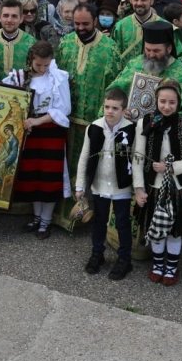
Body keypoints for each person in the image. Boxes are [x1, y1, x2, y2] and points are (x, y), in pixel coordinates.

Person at [55, 3, 122, 231]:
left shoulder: (109, 49)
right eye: (76, 24)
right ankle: (63, 215)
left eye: (85, 23)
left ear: (95, 21)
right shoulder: (65, 44)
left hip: (94, 121)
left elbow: (113, 85)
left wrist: (106, 119)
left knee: (92, 169)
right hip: (67, 119)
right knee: (66, 168)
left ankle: (90, 215)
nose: (81, 28)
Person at [133, 80, 182, 286]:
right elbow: (138, 158)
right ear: (156, 100)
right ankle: (157, 264)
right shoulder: (145, 123)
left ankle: (171, 267)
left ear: (178, 102)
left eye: (172, 102)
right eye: (162, 101)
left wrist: (170, 168)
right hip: (153, 186)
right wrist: (138, 189)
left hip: (177, 187)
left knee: (174, 230)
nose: (166, 106)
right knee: (156, 228)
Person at [5, 40, 71, 240]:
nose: (42, 69)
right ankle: (36, 217)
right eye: (38, 65)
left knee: (48, 177)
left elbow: (63, 110)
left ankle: (46, 221)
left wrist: (37, 120)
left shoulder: (58, 78)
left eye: (46, 65)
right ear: (31, 60)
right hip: (30, 132)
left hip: (50, 132)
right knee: (33, 175)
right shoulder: (20, 77)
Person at [74, 87, 136, 279]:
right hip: (99, 185)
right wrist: (80, 185)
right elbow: (84, 157)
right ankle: (97, 254)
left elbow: (135, 159)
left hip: (121, 186)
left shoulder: (131, 130)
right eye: (107, 107)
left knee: (122, 222)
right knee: (99, 221)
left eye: (115, 108)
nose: (110, 111)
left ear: (123, 110)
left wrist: (138, 187)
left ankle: (124, 259)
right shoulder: (94, 128)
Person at [107, 21, 182, 114]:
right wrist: (122, 110)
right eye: (148, 50)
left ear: (169, 49)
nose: (151, 55)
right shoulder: (134, 64)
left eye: (156, 51)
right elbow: (114, 93)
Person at [0, 0, 35, 81]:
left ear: (21, 19)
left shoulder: (31, 44)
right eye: (6, 16)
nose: (9, 20)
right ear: (0, 17)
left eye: (14, 16)